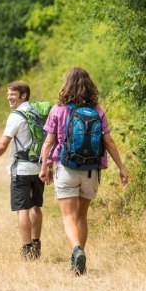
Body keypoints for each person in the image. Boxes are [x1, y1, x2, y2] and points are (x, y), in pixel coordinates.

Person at [39, 66, 128, 275]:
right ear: (90, 86)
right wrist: (122, 168)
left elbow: (49, 142)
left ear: (66, 85)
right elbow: (109, 141)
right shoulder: (98, 111)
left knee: (68, 216)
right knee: (82, 216)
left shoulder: (58, 110)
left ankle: (77, 251)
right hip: (91, 171)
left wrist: (44, 167)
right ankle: (80, 260)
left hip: (67, 168)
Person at [0, 81, 44, 260]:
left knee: (23, 209)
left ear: (23, 95)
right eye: (8, 94)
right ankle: (36, 245)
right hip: (38, 167)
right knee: (35, 205)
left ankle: (27, 249)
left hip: (21, 169)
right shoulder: (38, 112)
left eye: (12, 94)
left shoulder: (15, 116)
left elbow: (3, 143)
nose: (9, 97)